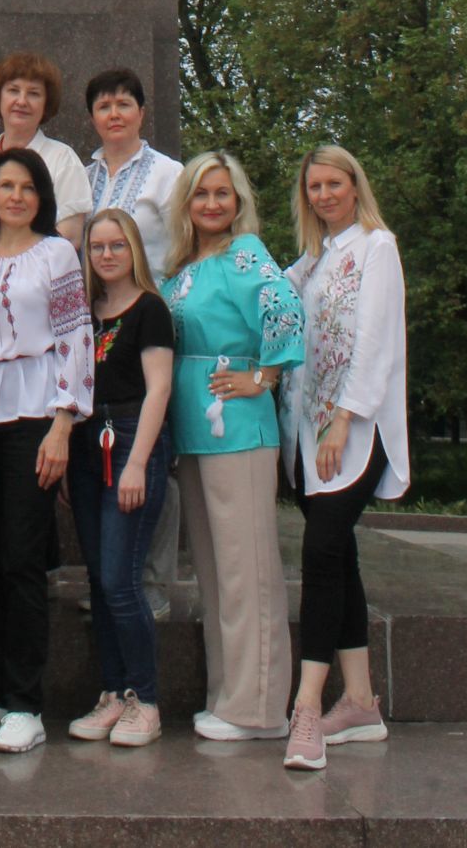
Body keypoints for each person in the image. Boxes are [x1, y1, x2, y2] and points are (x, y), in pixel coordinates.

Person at [0, 146, 94, 754]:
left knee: (22, 559)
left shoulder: (56, 253)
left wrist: (63, 423)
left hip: (33, 412)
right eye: (6, 186)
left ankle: (26, 703)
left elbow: (75, 335)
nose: (16, 196)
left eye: (27, 187)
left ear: (41, 197)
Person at [160, 150, 305, 743]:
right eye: (201, 193)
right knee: (217, 573)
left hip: (238, 427)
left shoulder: (245, 253)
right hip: (194, 429)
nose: (212, 203)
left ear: (239, 201)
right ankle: (228, 695)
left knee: (248, 570)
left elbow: (286, 310)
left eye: (222, 193)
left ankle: (260, 708)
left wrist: (263, 377)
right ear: (186, 203)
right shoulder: (183, 265)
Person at [280, 144, 409, 773]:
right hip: (307, 436)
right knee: (338, 557)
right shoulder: (311, 262)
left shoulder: (377, 248)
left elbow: (376, 343)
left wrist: (343, 419)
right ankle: (359, 702)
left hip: (354, 431)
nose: (324, 195)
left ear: (356, 185)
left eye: (334, 183)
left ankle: (306, 705)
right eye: (315, 187)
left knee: (321, 552)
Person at [65, 207, 174, 748]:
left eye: (116, 245)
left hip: (131, 440)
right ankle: (112, 691)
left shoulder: (151, 309)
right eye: (97, 247)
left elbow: (159, 388)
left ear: (134, 248)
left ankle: (144, 699)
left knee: (120, 579)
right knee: (97, 581)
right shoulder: (87, 311)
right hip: (88, 440)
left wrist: (136, 462)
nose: (106, 255)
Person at [84, 66, 183, 617]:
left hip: (154, 319)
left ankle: (154, 583)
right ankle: (114, 577)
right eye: (104, 106)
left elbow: (187, 243)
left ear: (142, 112)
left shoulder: (168, 175)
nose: (114, 114)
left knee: (156, 451)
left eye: (124, 104)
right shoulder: (83, 175)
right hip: (101, 323)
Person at [0, 51, 93, 250]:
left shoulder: (64, 160)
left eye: (33, 93)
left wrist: (15, 262)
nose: (22, 101)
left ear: (46, 103)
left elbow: (69, 238)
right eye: (13, 90)